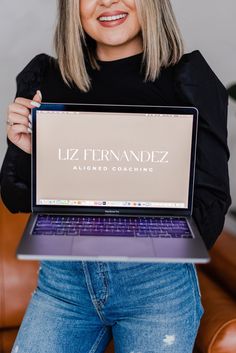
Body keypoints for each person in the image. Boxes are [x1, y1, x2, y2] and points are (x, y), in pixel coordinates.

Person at [0, 0, 231, 352]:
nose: (107, 1)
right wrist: (26, 150)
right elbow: (15, 198)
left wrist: (149, 203)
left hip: (156, 288)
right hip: (64, 285)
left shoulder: (188, 79)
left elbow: (212, 206)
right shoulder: (45, 79)